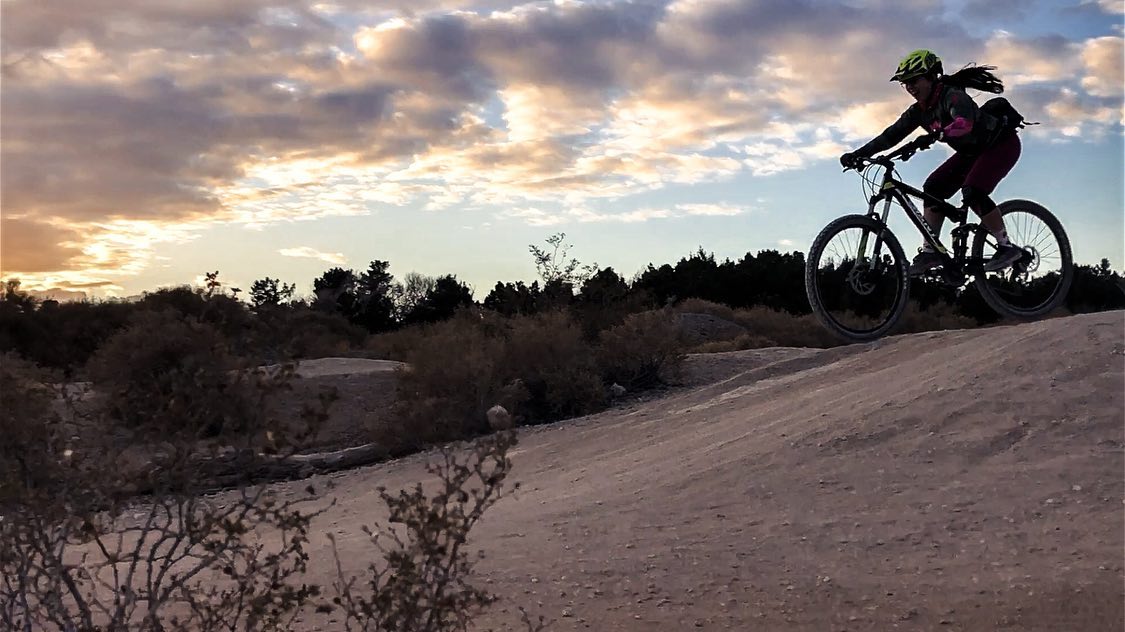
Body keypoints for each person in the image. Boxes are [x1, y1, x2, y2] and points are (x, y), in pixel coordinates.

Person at [840, 49, 1024, 275]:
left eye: (914, 80)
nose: (909, 87)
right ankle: (930, 253)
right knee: (933, 188)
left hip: (1001, 145)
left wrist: (938, 134)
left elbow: (963, 122)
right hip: (972, 152)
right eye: (905, 83)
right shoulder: (918, 111)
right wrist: (858, 153)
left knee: (973, 190)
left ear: (931, 76)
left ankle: (1006, 247)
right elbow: (890, 136)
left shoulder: (953, 96)